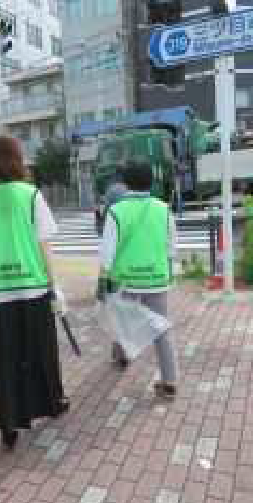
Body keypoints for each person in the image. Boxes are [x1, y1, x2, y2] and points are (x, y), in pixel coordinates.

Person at [0, 136, 69, 450]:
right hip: (34, 286)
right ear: (16, 158)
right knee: (42, 350)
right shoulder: (31, 195)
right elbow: (44, 245)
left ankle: (8, 423)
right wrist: (56, 288)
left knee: (2, 359)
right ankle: (51, 402)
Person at [98, 161, 178, 399]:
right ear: (151, 182)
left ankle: (123, 356)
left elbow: (107, 253)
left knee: (122, 320)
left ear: (126, 184)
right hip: (157, 278)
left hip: (126, 280)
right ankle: (169, 380)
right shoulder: (164, 209)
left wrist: (103, 281)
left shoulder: (116, 211)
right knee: (160, 329)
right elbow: (171, 246)